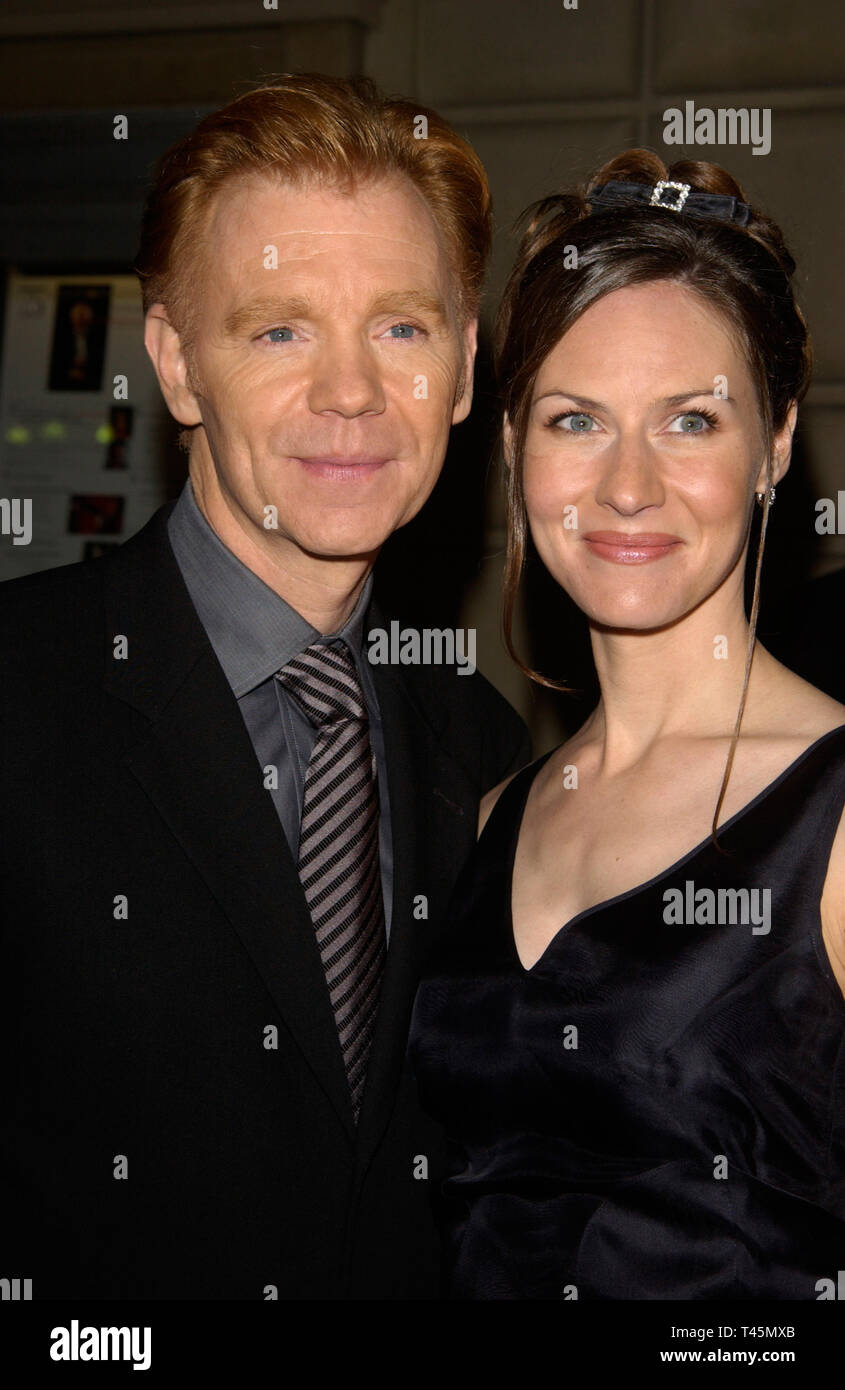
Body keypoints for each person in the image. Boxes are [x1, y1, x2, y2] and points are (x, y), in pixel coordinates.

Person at [0, 75, 529, 1300]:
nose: (349, 392)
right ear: (177, 366)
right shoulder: (21, 701)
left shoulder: (483, 748)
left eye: (400, 327)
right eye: (278, 328)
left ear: (460, 371)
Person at [409, 149, 845, 1300]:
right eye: (574, 420)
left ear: (778, 443)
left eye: (690, 421)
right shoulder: (497, 810)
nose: (626, 486)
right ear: (511, 449)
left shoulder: (835, 819)